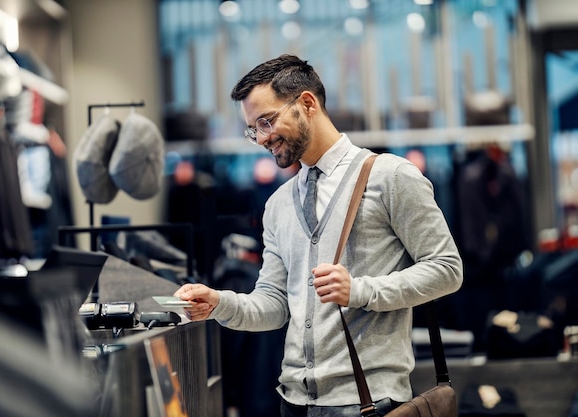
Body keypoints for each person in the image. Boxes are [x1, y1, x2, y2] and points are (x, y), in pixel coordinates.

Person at [174, 54, 463, 417]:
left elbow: (447, 268)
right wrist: (219, 303)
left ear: (307, 103)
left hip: (367, 402)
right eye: (253, 130)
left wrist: (360, 291)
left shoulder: (389, 176)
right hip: (294, 403)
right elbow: (276, 304)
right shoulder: (278, 204)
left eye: (266, 121)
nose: (262, 138)